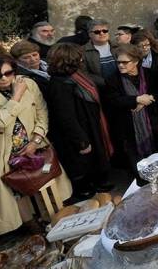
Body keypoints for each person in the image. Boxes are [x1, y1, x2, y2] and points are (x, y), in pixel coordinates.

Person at [0, 54, 73, 249]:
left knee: (44, 182)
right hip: (5, 153)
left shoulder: (29, 84)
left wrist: (36, 139)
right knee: (17, 192)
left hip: (35, 146)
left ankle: (58, 222)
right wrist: (16, 95)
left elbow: (42, 113)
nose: (4, 78)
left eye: (9, 72)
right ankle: (34, 229)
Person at [46, 44, 114, 200]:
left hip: (89, 124)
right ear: (69, 60)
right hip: (79, 130)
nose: (82, 59)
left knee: (94, 158)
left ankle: (97, 183)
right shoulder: (60, 84)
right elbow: (65, 116)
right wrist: (81, 141)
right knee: (82, 161)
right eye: (78, 57)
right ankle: (84, 190)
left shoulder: (76, 76)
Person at [103, 44, 158, 179]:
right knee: (138, 167)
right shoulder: (112, 80)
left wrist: (147, 99)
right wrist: (137, 99)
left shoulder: (150, 74)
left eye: (125, 62)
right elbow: (113, 100)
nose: (120, 65)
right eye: (118, 62)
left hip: (153, 126)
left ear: (136, 61)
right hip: (128, 130)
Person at [82, 19, 117, 86]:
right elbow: (84, 73)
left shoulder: (118, 47)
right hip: (99, 89)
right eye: (97, 32)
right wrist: (104, 82)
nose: (102, 33)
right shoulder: (82, 51)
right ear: (90, 34)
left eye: (105, 31)